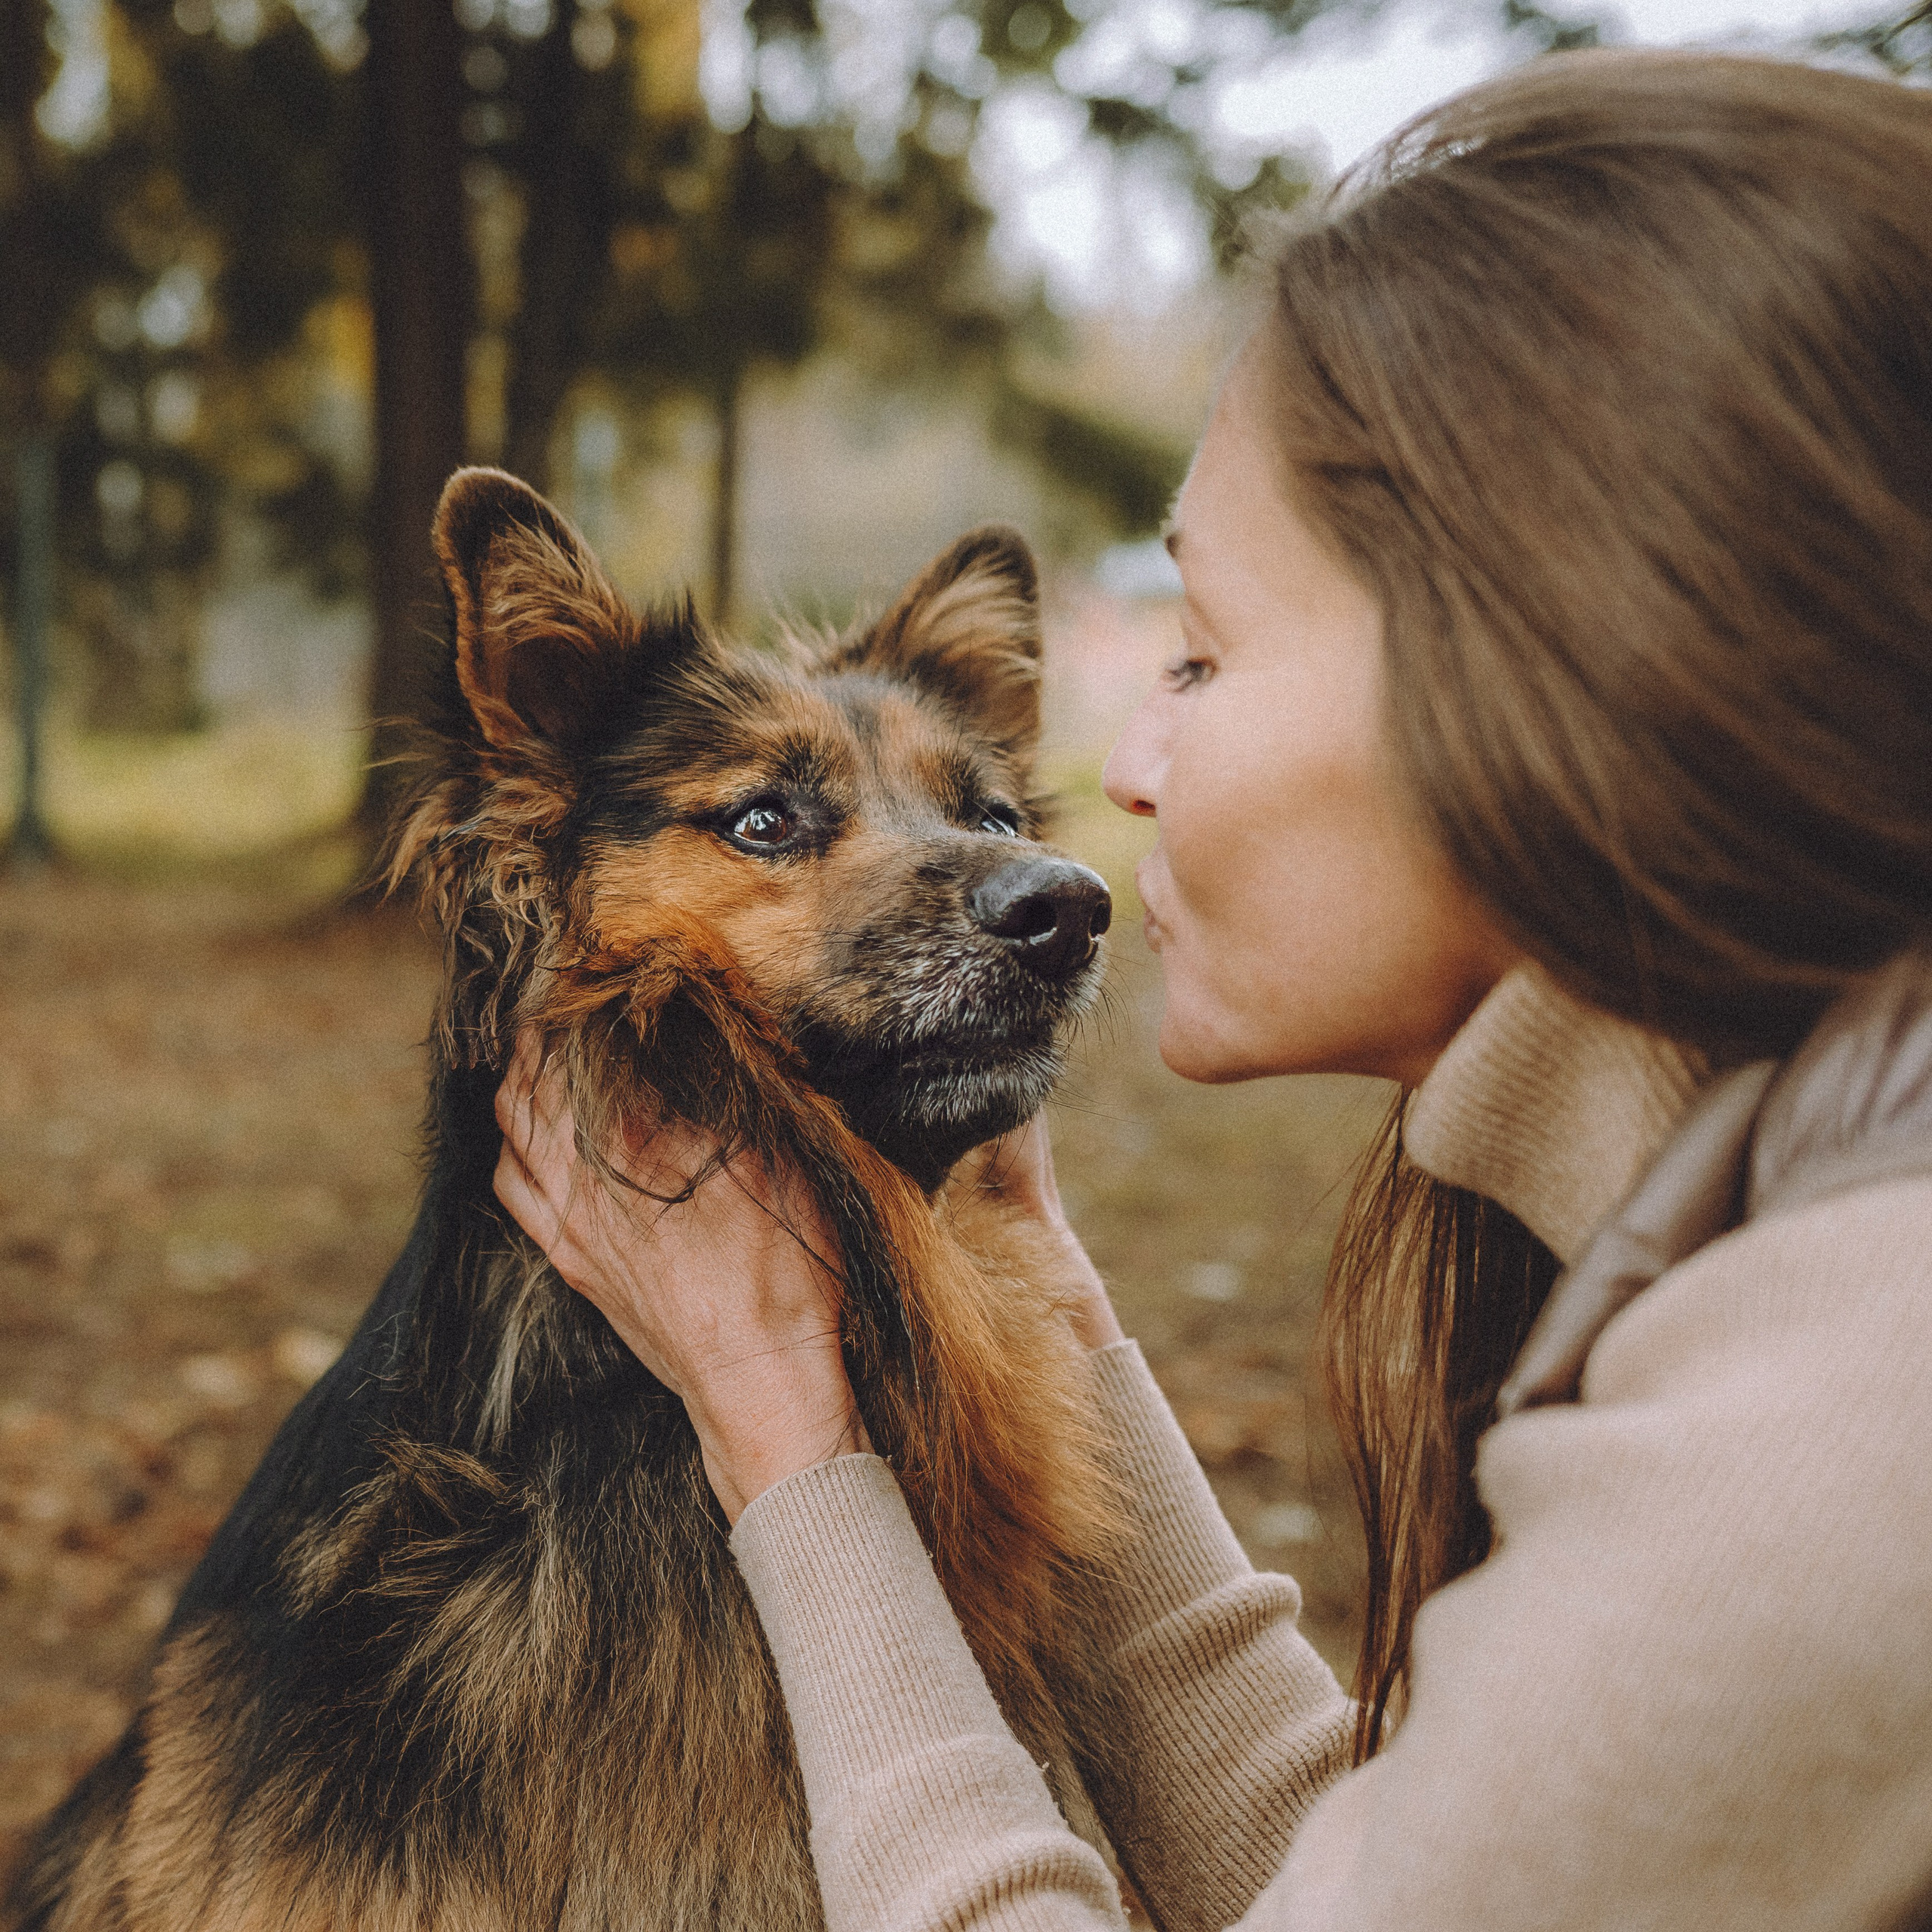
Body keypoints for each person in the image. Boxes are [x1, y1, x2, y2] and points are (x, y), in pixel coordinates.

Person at [491, 48, 1932, 1930]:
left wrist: (786, 1433)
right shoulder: (1813, 1251)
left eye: (1202, 651)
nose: (1126, 783)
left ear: (1563, 660)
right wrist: (1069, 1318)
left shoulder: (1822, 1440)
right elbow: (1378, 1874)